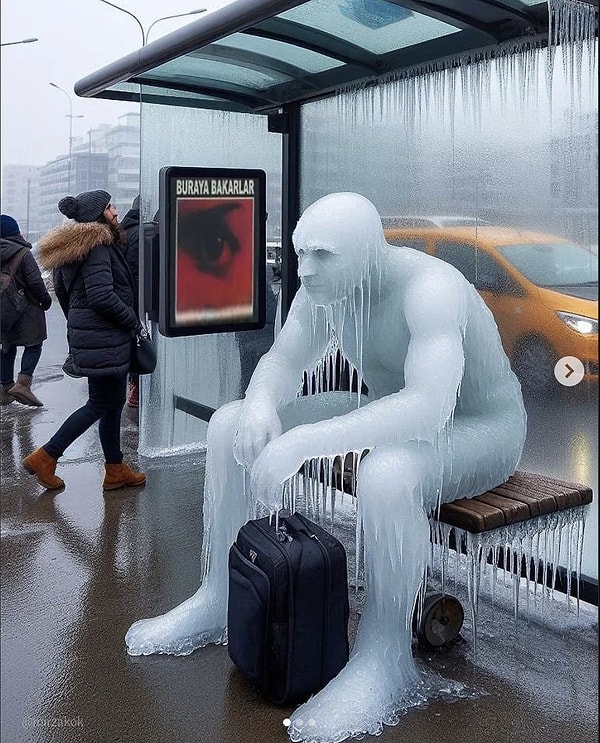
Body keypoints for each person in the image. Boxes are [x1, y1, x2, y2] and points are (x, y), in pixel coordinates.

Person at [124, 193, 526, 741]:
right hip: (394, 407)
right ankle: (218, 596)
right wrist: (263, 404)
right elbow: (283, 360)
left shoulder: (431, 289)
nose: (304, 270)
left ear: (364, 252)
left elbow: (428, 408)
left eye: (322, 255)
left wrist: (304, 442)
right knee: (228, 423)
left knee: (387, 474)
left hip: (484, 427)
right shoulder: (326, 290)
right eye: (298, 254)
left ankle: (383, 658)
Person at [22, 190, 146, 493]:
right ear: (97, 215)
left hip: (96, 338)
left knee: (112, 403)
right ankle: (46, 456)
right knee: (100, 403)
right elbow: (102, 296)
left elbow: (65, 295)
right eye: (110, 208)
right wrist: (131, 321)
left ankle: (115, 469)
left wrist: (81, 324)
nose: (116, 212)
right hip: (106, 337)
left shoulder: (73, 249)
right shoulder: (97, 247)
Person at [1, 214, 52, 407]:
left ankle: (5, 388)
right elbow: (35, 282)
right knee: (34, 344)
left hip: (3, 312)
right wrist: (45, 301)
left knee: (7, 346)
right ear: (15, 232)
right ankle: (23, 384)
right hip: (27, 310)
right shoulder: (22, 252)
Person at [120, 195, 141, 408]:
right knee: (140, 343)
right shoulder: (140, 233)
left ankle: (133, 386)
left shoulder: (124, 231)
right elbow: (137, 271)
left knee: (133, 342)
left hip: (128, 297)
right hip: (137, 298)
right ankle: (136, 389)